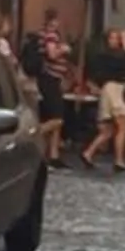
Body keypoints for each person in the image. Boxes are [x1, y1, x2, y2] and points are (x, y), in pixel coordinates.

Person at [79, 24, 125, 173]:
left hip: (110, 89)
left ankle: (88, 153)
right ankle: (119, 162)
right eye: (113, 38)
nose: (116, 40)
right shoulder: (111, 55)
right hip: (113, 90)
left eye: (117, 38)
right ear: (108, 40)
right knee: (122, 125)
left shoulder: (105, 55)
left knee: (108, 130)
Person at [27, 12, 74, 167]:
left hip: (53, 80)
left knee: (55, 117)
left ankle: (54, 155)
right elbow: (52, 54)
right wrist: (64, 50)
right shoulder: (51, 36)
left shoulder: (46, 35)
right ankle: (31, 136)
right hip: (50, 80)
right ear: (54, 21)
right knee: (57, 119)